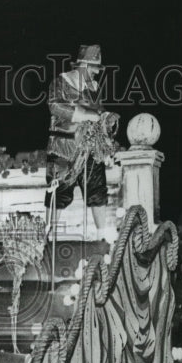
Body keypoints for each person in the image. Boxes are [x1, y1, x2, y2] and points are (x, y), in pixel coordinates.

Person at [44, 44, 119, 242]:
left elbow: (100, 116)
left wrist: (106, 128)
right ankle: (49, 238)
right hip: (63, 148)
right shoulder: (61, 81)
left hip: (90, 150)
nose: (96, 73)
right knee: (59, 192)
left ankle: (103, 238)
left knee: (97, 191)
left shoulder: (94, 88)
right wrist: (86, 114)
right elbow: (54, 105)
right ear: (84, 65)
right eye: (94, 68)